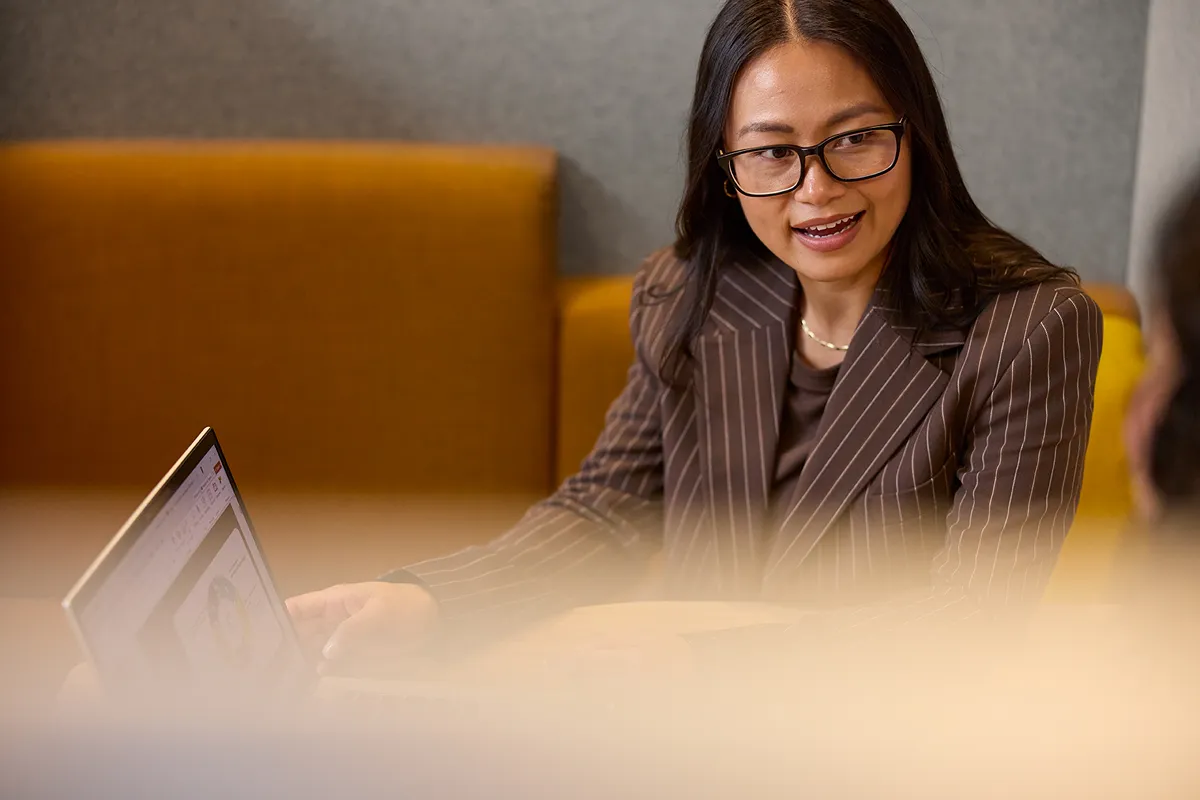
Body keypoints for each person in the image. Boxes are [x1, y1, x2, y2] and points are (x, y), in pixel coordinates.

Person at [287, 0, 1102, 671]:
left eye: (855, 138)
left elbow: (971, 621)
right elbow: (607, 510)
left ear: (914, 133)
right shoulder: (692, 294)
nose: (816, 189)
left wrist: (700, 664)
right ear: (726, 169)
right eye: (772, 152)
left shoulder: (1028, 330)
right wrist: (430, 599)